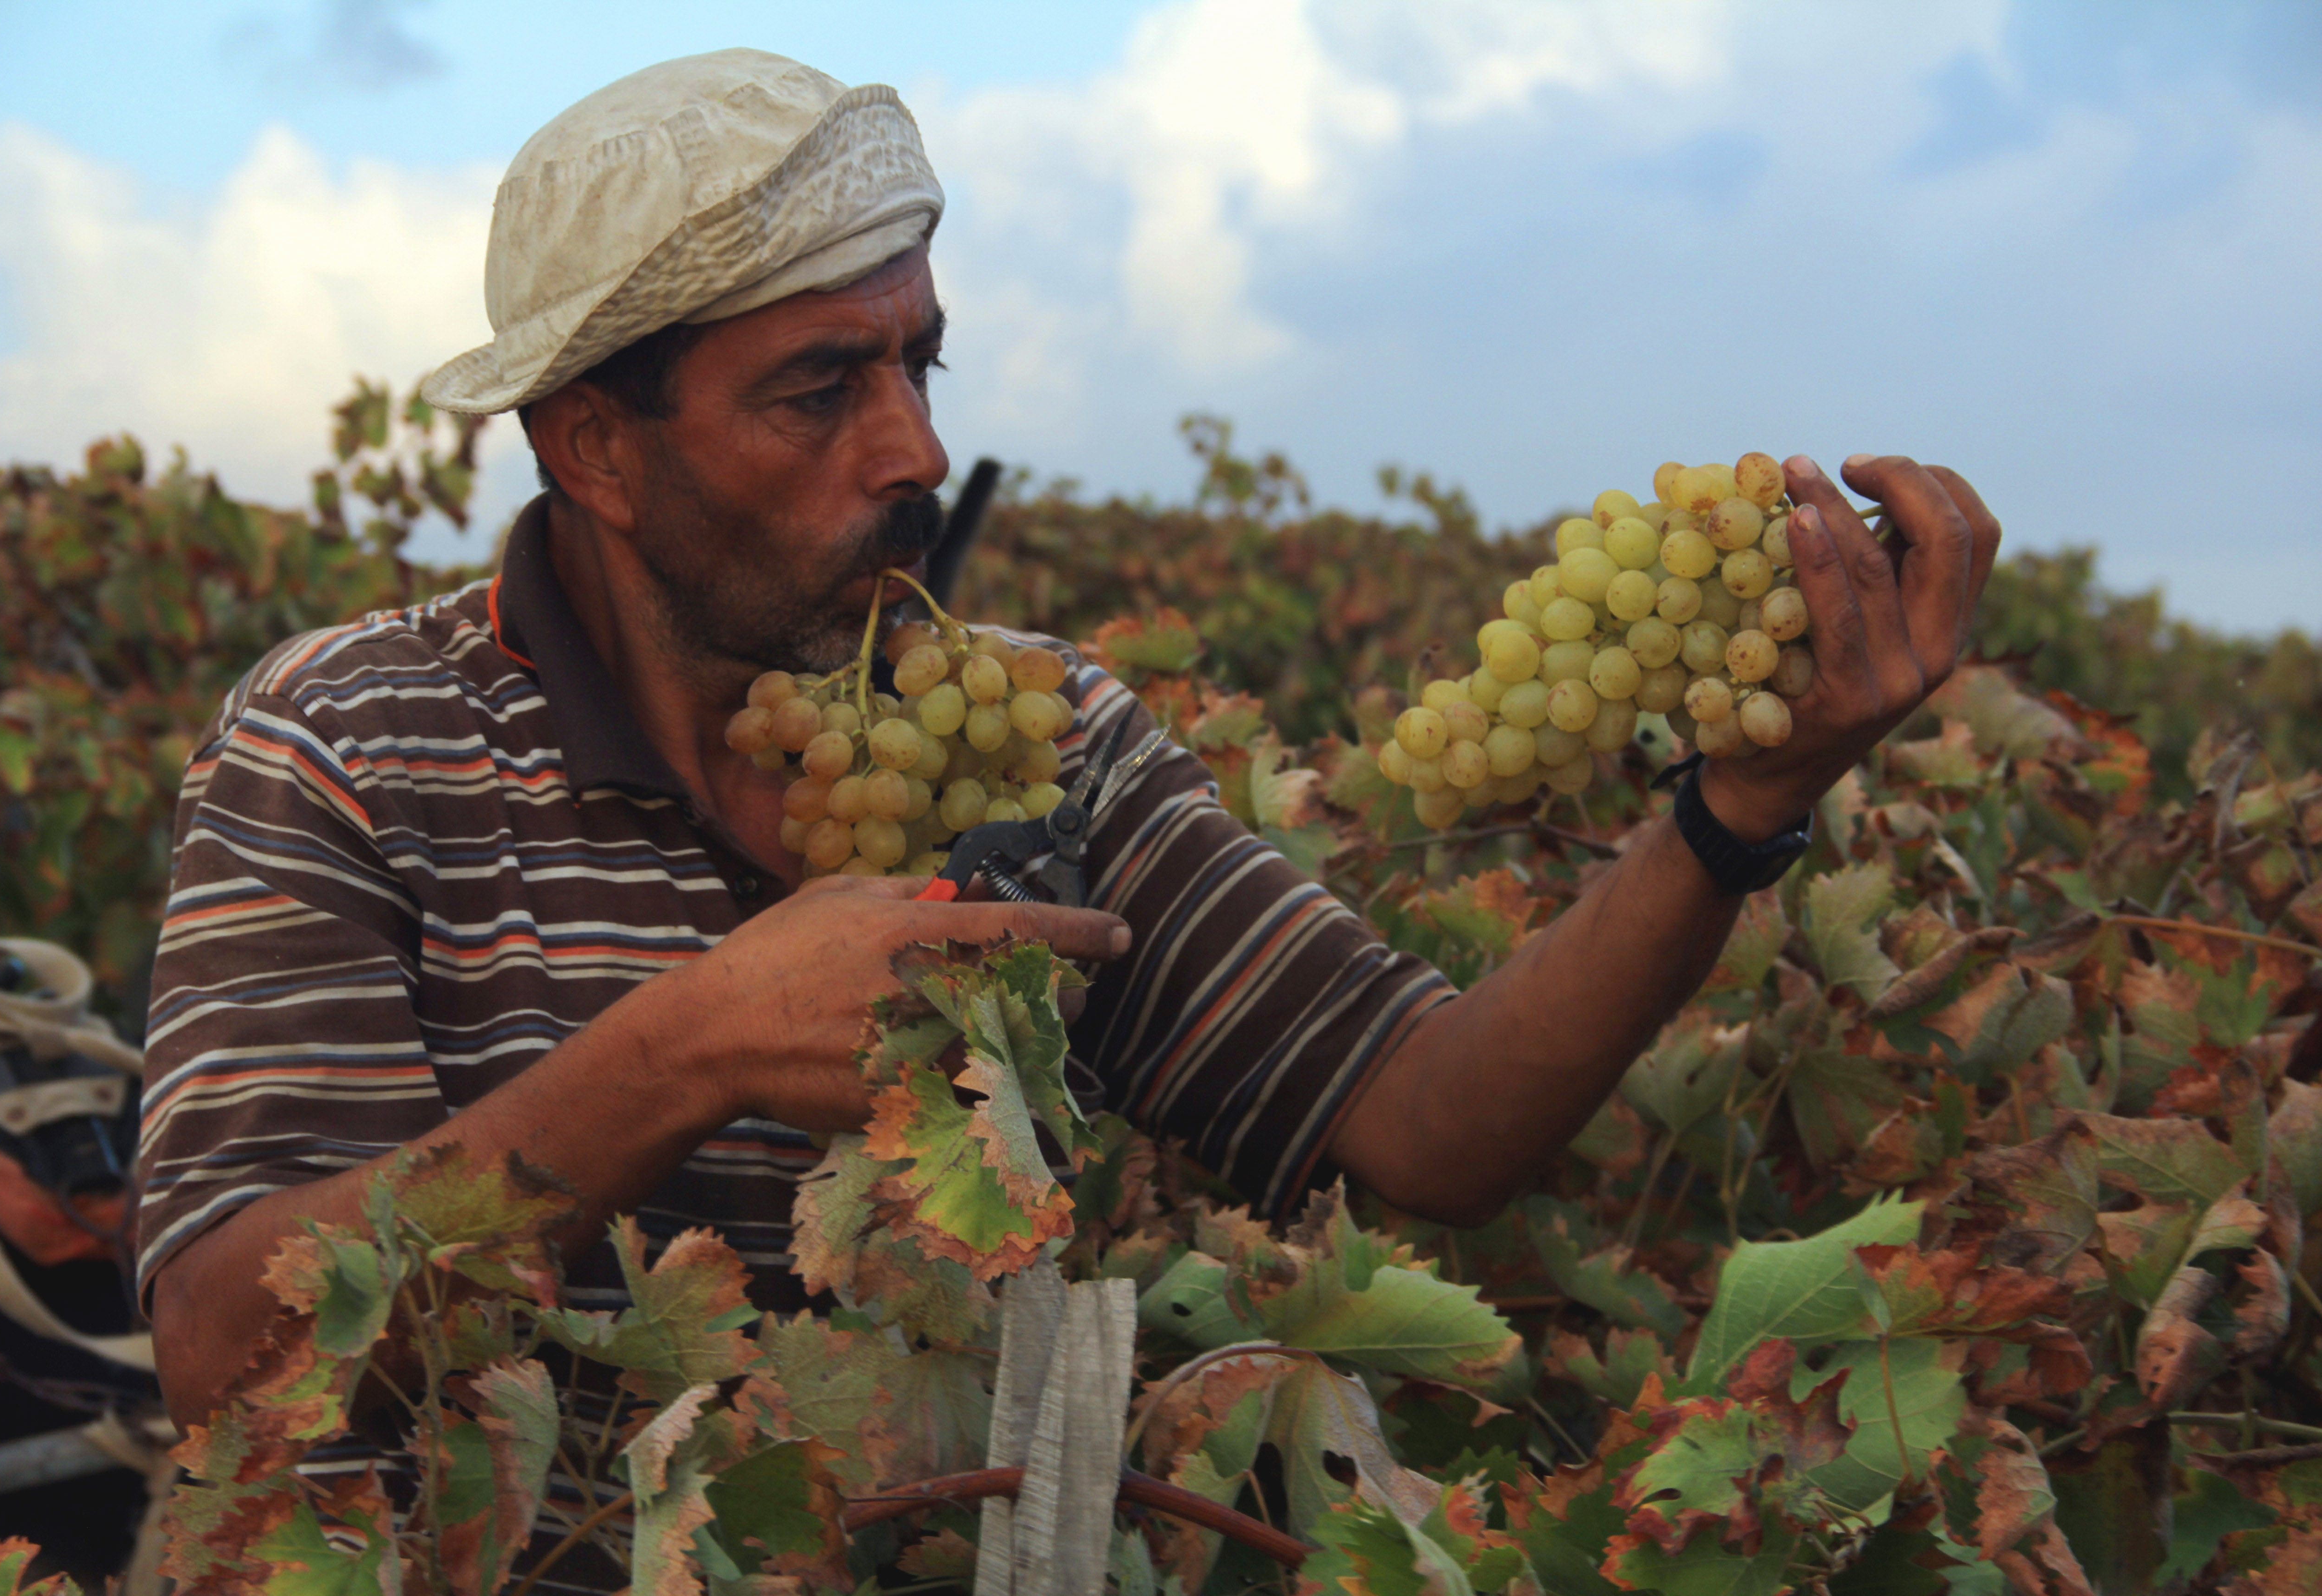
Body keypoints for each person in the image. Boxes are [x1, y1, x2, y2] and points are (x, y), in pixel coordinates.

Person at [134, 48, 2000, 1431]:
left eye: (915, 364)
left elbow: (1429, 1127)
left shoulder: (1042, 731)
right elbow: (226, 1352)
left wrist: (1738, 811)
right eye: (818, 390)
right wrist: (682, 1054)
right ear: (595, 452)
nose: (916, 455)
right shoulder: (346, 747)